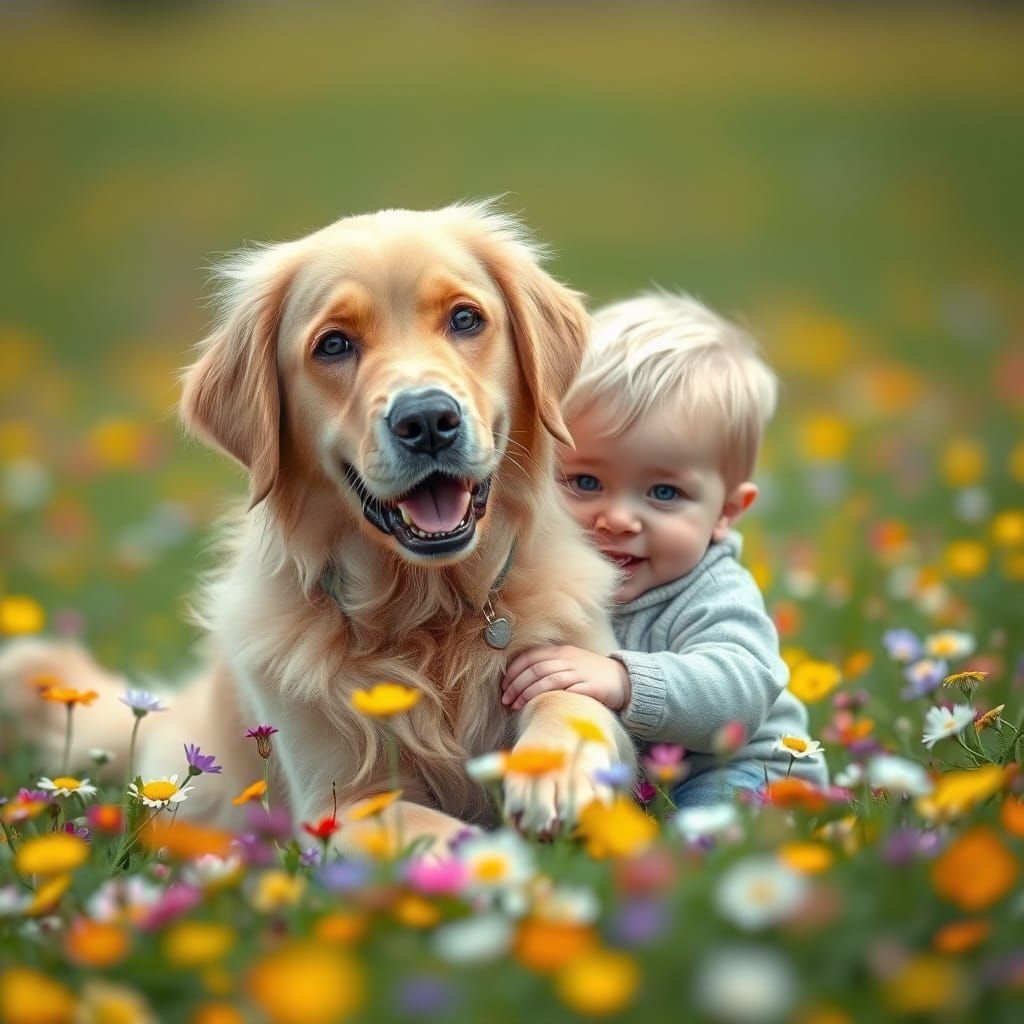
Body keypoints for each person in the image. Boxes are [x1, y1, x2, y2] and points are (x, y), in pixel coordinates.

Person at [500, 291, 828, 806]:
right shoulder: (541, 571)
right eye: (584, 482)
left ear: (726, 513)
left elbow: (740, 691)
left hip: (741, 767)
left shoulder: (712, 590)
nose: (618, 518)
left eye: (664, 493)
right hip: (638, 783)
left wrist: (624, 680)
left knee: (708, 834)